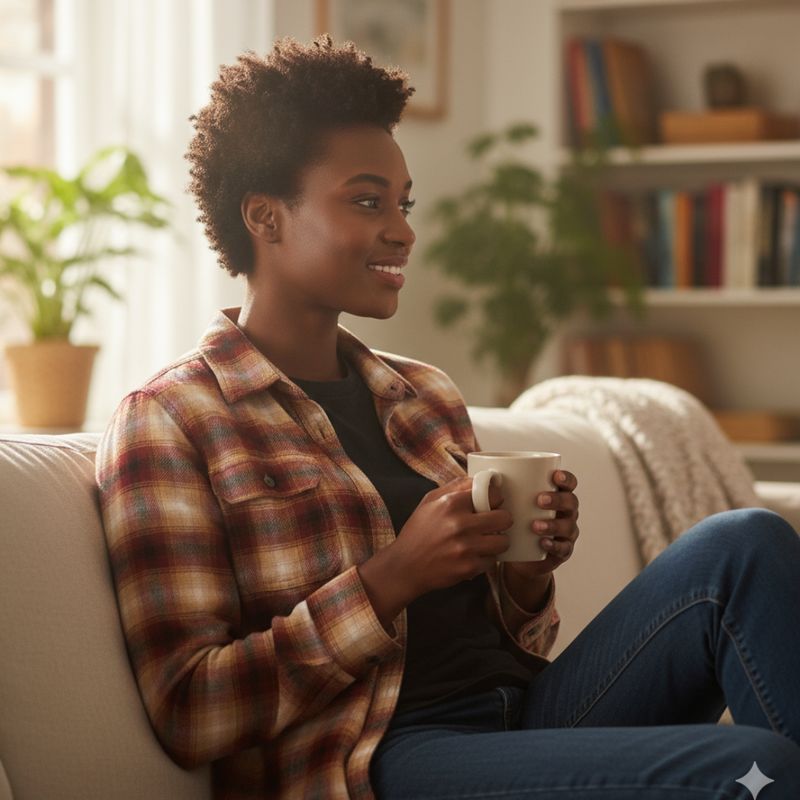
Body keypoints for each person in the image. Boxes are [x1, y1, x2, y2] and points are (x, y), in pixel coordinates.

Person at [95, 36, 800, 800]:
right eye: (368, 201)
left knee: (744, 543)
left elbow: (517, 644)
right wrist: (389, 578)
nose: (403, 230)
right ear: (265, 217)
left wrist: (526, 580)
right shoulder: (169, 422)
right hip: (376, 758)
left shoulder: (422, 394)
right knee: (753, 771)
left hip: (523, 721)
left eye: (403, 203)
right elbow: (189, 710)